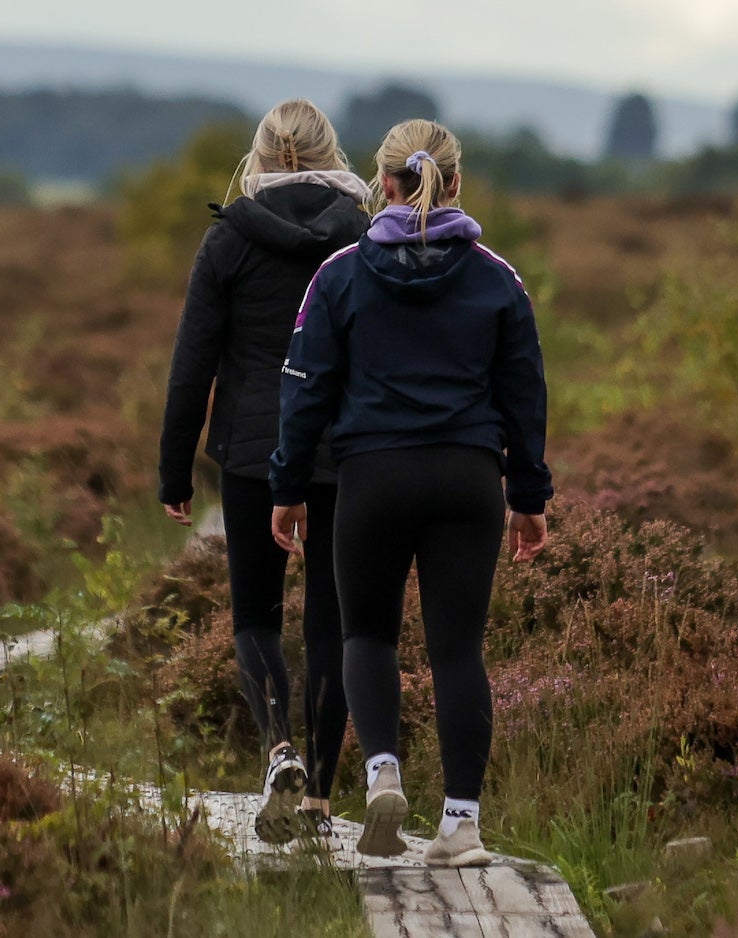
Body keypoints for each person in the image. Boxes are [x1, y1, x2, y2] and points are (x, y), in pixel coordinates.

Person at [268, 118, 552, 866]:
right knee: (459, 652)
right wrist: (528, 496)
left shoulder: (338, 275)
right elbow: (526, 396)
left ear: (382, 184)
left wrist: (288, 485)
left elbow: (305, 392)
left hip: (372, 478)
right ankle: (462, 827)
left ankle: (382, 771)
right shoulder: (497, 277)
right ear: (455, 182)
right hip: (467, 480)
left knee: (367, 635)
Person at [158, 99, 370, 845]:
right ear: (330, 151)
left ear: (259, 157)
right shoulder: (363, 235)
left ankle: (278, 746)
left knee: (255, 612)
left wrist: (174, 471)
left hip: (251, 451)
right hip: (344, 451)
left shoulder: (228, 241)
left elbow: (192, 368)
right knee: (333, 619)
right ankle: (319, 800)